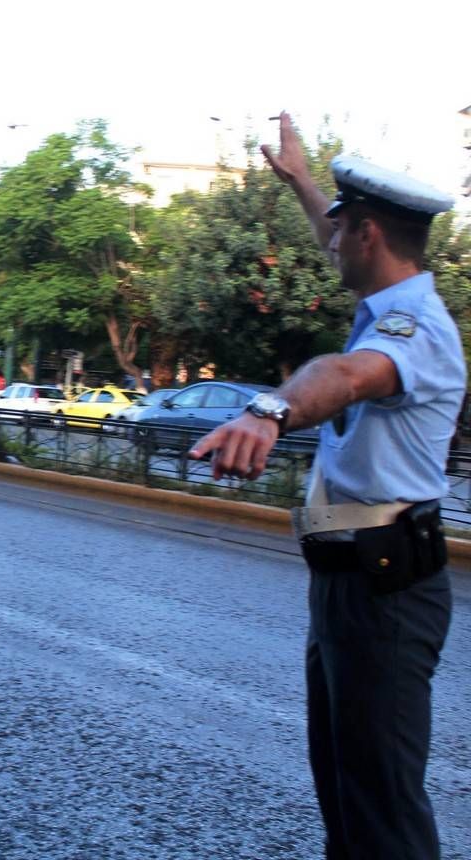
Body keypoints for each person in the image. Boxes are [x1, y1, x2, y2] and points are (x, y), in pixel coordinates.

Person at [190, 112, 463, 860]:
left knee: (382, 809)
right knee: (348, 795)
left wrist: (269, 410)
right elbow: (337, 242)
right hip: (353, 582)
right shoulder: (389, 305)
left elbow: (343, 376)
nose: (329, 242)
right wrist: (304, 184)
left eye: (341, 230)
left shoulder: (414, 330)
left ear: (368, 235)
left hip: (386, 590)